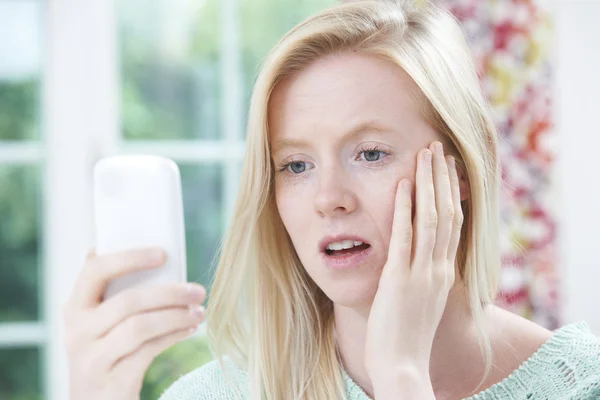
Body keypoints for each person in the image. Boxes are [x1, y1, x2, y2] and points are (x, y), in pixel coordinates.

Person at [63, 0, 600, 399]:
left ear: (458, 173)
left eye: (369, 153)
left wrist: (403, 377)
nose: (328, 199)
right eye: (296, 165)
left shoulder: (582, 383)